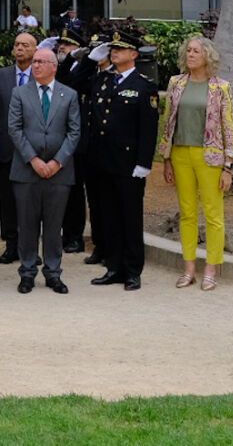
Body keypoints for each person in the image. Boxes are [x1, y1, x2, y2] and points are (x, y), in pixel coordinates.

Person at [158, 35, 233, 291]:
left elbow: (229, 127)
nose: (190, 55)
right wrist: (166, 157)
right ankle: (189, 267)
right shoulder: (176, 83)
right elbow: (168, 120)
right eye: (188, 50)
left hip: (210, 156)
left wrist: (229, 166)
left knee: (214, 214)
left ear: (207, 57)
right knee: (187, 212)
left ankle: (211, 269)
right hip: (181, 153)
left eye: (196, 51)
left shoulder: (220, 87)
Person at [82, 31, 157, 290]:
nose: (114, 53)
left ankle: (133, 270)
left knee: (130, 217)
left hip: (128, 164)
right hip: (101, 161)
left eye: (120, 49)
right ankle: (113, 267)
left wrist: (144, 163)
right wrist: (91, 59)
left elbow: (148, 128)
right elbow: (78, 82)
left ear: (134, 54)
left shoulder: (143, 85)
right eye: (112, 49)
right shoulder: (102, 80)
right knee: (108, 217)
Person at [8, 43, 81, 294]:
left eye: (40, 62)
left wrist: (56, 161)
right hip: (27, 171)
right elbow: (14, 130)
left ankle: (53, 273)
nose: (35, 65)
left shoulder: (69, 95)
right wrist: (35, 160)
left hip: (59, 173)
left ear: (54, 66)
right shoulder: (19, 93)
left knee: (53, 225)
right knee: (27, 225)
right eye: (34, 62)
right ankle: (27, 273)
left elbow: (74, 132)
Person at [0, 30, 37, 265]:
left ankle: (31, 247)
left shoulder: (41, 75)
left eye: (25, 45)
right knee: (8, 200)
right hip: (6, 147)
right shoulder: (0, 76)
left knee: (32, 200)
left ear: (35, 50)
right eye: (17, 44)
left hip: (35, 150)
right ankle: (10, 245)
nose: (20, 48)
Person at [54, 30, 94, 254]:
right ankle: (64, 233)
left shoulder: (83, 68)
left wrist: (78, 58)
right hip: (59, 139)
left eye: (68, 45)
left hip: (77, 141)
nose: (62, 48)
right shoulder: (65, 68)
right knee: (62, 191)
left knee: (76, 191)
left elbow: (70, 84)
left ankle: (75, 236)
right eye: (61, 44)